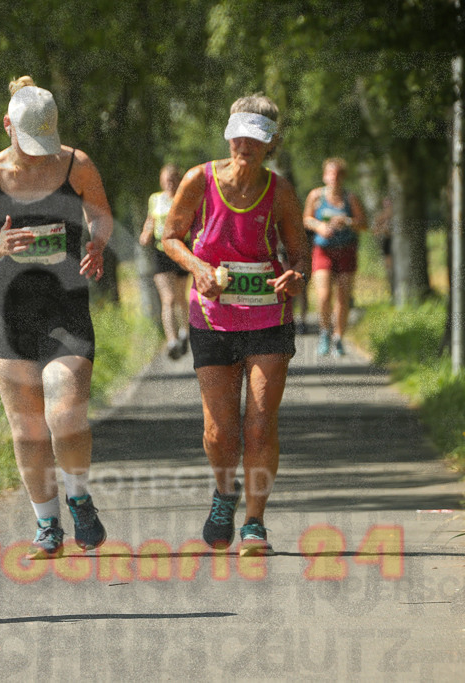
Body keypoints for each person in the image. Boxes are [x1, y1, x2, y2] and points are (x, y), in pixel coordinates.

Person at [0, 76, 113, 559]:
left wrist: (97, 242)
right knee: (27, 430)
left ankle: (79, 497)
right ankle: (48, 526)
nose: (39, 153)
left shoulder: (76, 164)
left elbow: (101, 215)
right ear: (7, 126)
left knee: (64, 412)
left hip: (65, 308)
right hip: (8, 315)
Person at [162, 93, 309, 556]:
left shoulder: (280, 191)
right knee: (220, 431)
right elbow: (170, 237)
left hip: (268, 315)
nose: (245, 145)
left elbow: (298, 250)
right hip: (212, 316)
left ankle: (254, 523)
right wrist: (198, 268)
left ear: (271, 144)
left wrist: (296, 274)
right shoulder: (199, 180)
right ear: (229, 135)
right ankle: (224, 493)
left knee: (260, 424)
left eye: (256, 139)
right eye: (239, 136)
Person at [303, 157, 367, 357]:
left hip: (346, 250)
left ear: (343, 177)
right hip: (323, 250)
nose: (334, 178)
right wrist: (320, 227)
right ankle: (324, 332)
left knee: (343, 297)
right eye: (331, 173)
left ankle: (339, 337)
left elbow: (363, 223)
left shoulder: (350, 198)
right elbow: (306, 219)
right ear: (325, 175)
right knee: (323, 295)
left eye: (338, 174)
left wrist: (347, 221)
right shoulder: (316, 196)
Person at [139, 163, 191, 359]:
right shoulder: (155, 199)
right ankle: (171, 340)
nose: (169, 184)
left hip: (180, 249)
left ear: (178, 181)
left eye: (173, 180)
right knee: (168, 299)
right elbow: (150, 220)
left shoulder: (184, 198)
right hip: (160, 251)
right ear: (161, 181)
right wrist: (146, 233)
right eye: (166, 180)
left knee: (179, 298)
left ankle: (184, 331)